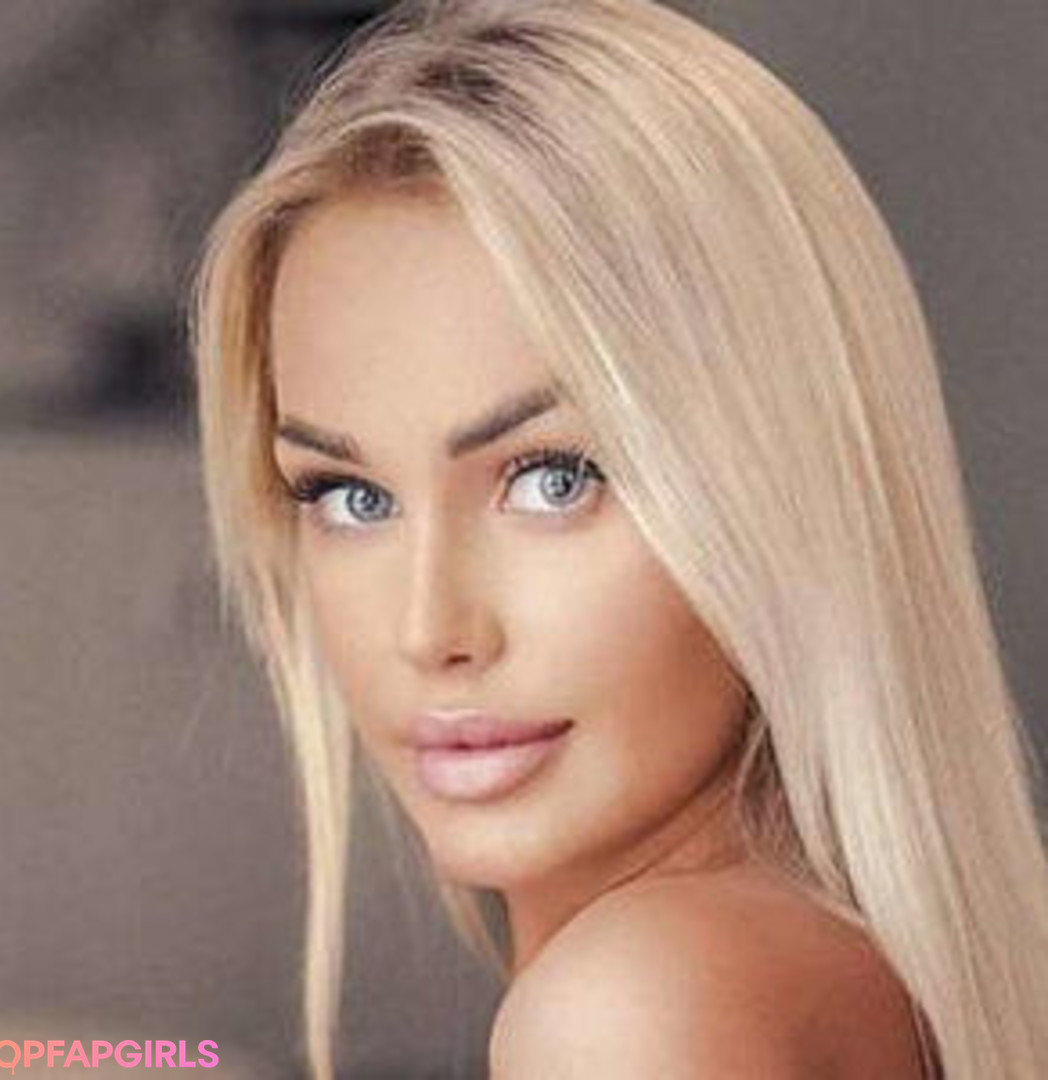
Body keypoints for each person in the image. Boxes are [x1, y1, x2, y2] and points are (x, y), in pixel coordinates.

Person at [188, 1, 1048, 1077]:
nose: (428, 629)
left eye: (554, 479)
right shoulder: (840, 969)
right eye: (349, 497)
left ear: (777, 487)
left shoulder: (634, 1010)